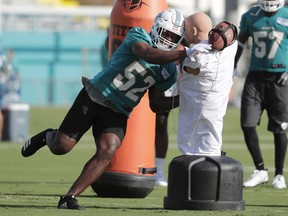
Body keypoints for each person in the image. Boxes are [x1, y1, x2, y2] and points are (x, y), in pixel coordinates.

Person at [21, 8, 211, 210]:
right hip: (95, 95)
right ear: (156, 28)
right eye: (166, 34)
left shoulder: (169, 69)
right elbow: (146, 54)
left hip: (119, 110)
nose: (168, 40)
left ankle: (69, 197)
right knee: (62, 146)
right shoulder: (139, 35)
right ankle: (47, 136)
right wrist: (183, 53)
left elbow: (155, 104)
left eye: (174, 37)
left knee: (108, 150)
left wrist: (184, 99)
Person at [234, 0, 288, 189]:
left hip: (280, 79)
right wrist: (232, 66)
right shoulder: (250, 16)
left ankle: (279, 174)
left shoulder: (287, 16)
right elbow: (240, 41)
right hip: (255, 78)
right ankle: (260, 170)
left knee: (279, 127)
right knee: (247, 124)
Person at [177, 12, 238, 156]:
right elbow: (230, 32)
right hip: (216, 108)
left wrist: (187, 51)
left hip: (198, 112)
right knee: (211, 147)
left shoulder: (197, 57)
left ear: (193, 31)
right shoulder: (230, 47)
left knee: (195, 152)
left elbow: (188, 66)